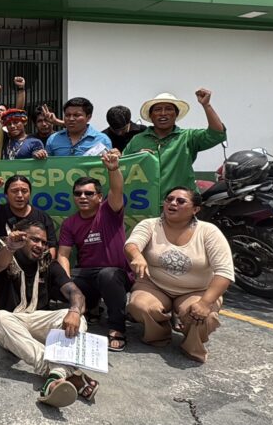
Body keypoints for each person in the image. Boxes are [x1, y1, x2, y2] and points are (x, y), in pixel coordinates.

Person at [0, 220, 98, 408]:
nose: (40, 246)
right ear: (21, 238)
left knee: (76, 316)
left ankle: (55, 377)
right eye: (35, 240)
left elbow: (76, 293)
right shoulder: (8, 257)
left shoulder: (50, 264)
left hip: (40, 322)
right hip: (13, 322)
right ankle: (59, 372)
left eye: (44, 242)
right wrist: (10, 246)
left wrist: (74, 311)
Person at [125, 187, 234, 363]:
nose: (172, 203)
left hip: (196, 289)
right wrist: (137, 256)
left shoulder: (209, 231)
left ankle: (192, 344)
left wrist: (206, 302)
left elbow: (224, 272)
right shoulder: (150, 225)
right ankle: (159, 334)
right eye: (169, 199)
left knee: (204, 315)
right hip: (155, 285)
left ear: (195, 209)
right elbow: (132, 244)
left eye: (180, 201)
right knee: (140, 305)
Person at [57, 150, 130, 351]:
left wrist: (113, 169)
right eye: (78, 193)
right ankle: (92, 307)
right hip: (85, 273)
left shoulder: (110, 210)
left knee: (107, 275)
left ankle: (117, 326)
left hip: (115, 273)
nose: (83, 197)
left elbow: (117, 189)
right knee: (58, 279)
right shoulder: (69, 223)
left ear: (99, 197)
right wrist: (66, 280)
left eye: (89, 193)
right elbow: (63, 254)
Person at [0, 175, 58, 313]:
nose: (20, 195)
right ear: (6, 194)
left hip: (33, 264)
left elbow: (52, 246)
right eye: (14, 191)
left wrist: (44, 267)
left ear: (30, 193)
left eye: (24, 191)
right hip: (3, 263)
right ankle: (1, 296)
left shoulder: (42, 216)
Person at [124, 89, 227, 198]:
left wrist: (206, 105)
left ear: (176, 114)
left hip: (180, 205)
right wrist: (137, 159)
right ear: (151, 115)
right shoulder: (137, 140)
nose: (163, 113)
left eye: (168, 109)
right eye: (158, 109)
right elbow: (121, 170)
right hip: (146, 204)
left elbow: (217, 134)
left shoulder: (188, 137)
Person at [45, 97, 112, 156]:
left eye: (76, 115)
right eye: (67, 115)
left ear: (88, 117)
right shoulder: (53, 139)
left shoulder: (102, 140)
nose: (71, 119)